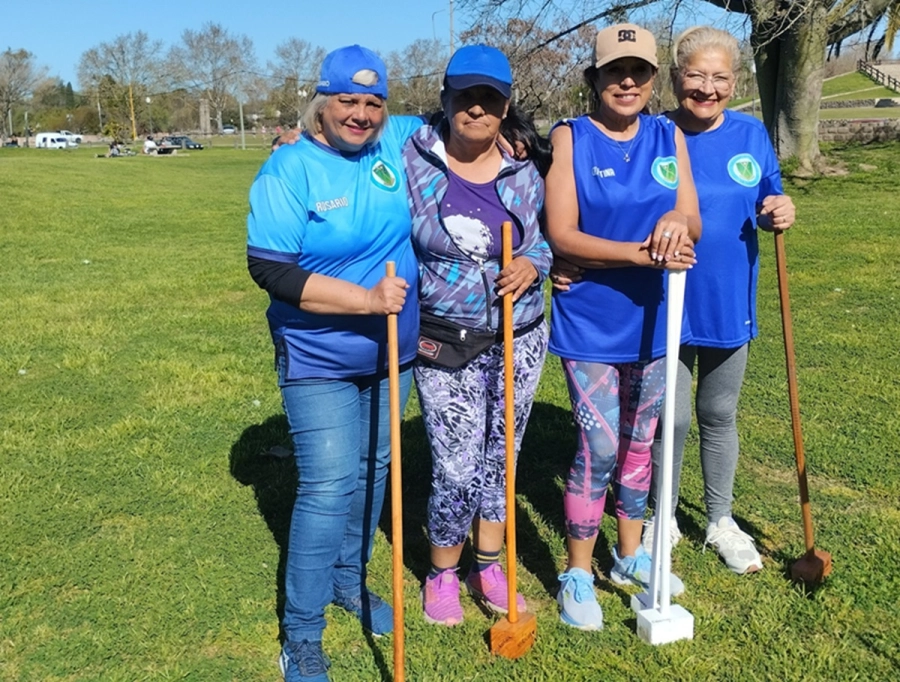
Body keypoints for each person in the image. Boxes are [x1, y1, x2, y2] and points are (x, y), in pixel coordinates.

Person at [246, 45, 425, 682]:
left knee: (375, 467)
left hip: (391, 354)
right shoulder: (289, 169)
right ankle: (301, 634)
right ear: (322, 103)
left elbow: (462, 118)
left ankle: (349, 582)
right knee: (328, 485)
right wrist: (366, 300)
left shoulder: (396, 140)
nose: (361, 114)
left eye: (374, 102)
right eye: (347, 100)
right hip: (317, 354)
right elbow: (270, 268)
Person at [543, 23, 701, 631]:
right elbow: (562, 234)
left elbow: (691, 217)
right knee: (600, 446)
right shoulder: (571, 137)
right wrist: (644, 252)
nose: (627, 81)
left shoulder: (669, 135)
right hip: (590, 323)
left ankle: (629, 555)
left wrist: (675, 222)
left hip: (658, 320)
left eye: (638, 71)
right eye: (614, 71)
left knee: (640, 443)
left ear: (654, 80)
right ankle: (577, 570)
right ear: (595, 80)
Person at [401, 45, 552, 626]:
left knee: (501, 459)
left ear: (504, 105)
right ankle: (442, 571)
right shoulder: (412, 154)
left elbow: (543, 238)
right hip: (445, 336)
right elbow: (352, 125)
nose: (476, 108)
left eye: (488, 98)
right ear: (444, 100)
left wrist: (532, 263)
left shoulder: (523, 167)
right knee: (456, 463)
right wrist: (303, 134)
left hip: (520, 331)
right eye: (464, 96)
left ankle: (488, 564)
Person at [641, 25, 796, 574]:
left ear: (734, 81)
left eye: (720, 77)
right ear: (677, 77)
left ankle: (720, 519)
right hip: (667, 298)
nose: (707, 88)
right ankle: (662, 514)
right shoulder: (652, 133)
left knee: (718, 412)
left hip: (730, 300)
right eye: (696, 76)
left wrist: (781, 206)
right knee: (672, 416)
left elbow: (769, 192)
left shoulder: (751, 135)